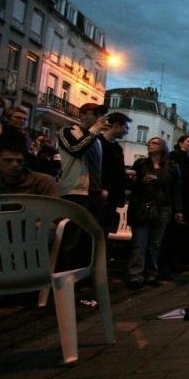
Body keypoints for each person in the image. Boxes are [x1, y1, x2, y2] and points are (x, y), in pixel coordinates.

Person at [56, 102, 107, 272]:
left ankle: (81, 279)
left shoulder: (96, 140)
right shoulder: (67, 132)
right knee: (71, 239)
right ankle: (63, 278)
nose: (100, 118)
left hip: (93, 193)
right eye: (96, 114)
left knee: (88, 239)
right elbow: (76, 149)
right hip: (76, 192)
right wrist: (94, 130)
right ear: (83, 115)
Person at [126, 137, 183, 290]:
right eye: (149, 143)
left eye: (155, 143)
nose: (149, 144)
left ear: (163, 147)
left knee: (155, 244)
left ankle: (151, 274)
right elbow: (133, 185)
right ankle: (135, 275)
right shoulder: (141, 164)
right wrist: (136, 181)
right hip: (143, 206)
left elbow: (176, 189)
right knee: (139, 242)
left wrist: (178, 210)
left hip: (163, 207)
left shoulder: (171, 166)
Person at [160, 134, 189, 277]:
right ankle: (169, 266)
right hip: (177, 199)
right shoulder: (174, 157)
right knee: (172, 233)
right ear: (180, 143)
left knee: (181, 233)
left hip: (185, 198)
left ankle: (178, 264)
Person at [98, 112, 131, 233]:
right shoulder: (97, 142)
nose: (127, 132)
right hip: (99, 195)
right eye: (126, 128)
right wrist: (102, 187)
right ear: (117, 125)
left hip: (112, 197)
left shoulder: (118, 148)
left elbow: (119, 172)